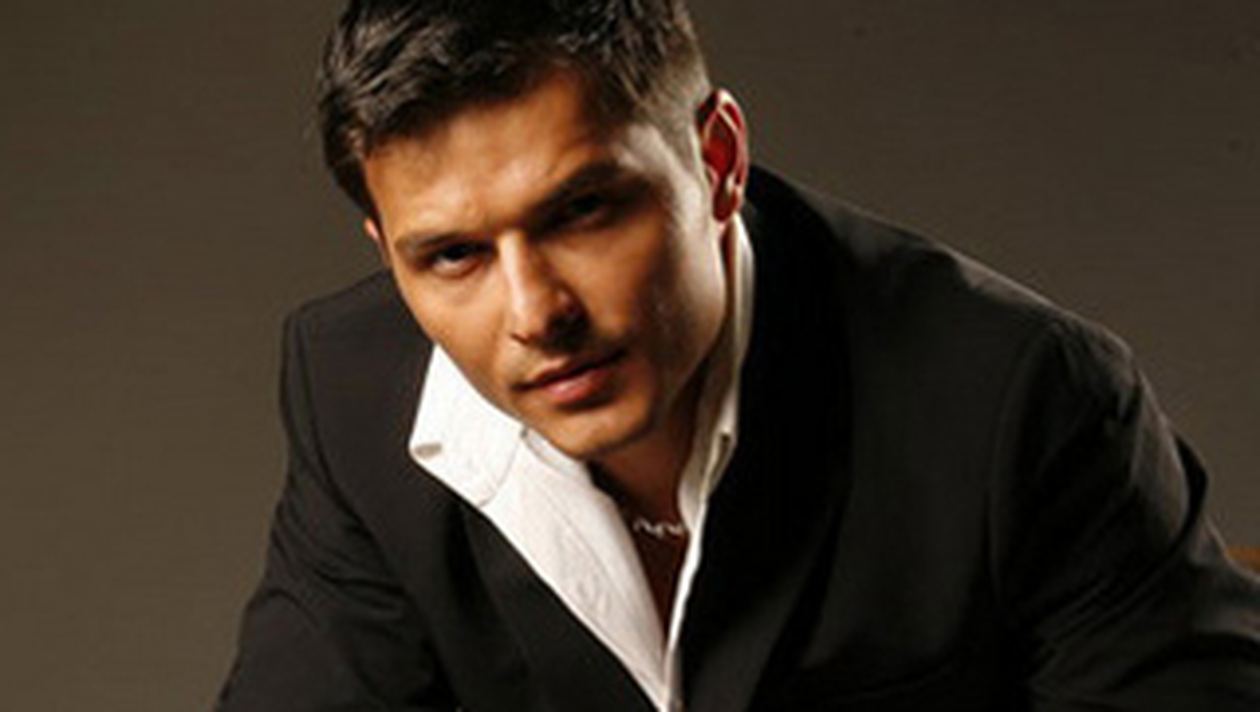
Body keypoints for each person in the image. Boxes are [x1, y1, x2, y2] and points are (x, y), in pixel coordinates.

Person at [216, 1, 1260, 710]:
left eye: (584, 211)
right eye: (452, 255)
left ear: (717, 159)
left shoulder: (1018, 398)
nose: (534, 313)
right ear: (386, 252)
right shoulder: (351, 392)